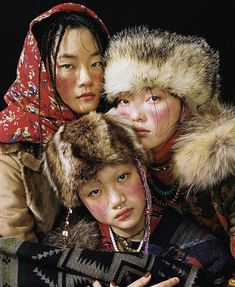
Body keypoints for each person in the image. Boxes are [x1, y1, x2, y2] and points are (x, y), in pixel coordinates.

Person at [43, 111, 233, 287]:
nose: (117, 200)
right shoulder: (66, 255)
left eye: (122, 177)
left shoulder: (201, 248)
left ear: (141, 170)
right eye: (94, 192)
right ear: (79, 200)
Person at [104, 25, 235, 263]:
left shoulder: (224, 163)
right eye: (124, 100)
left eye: (153, 98)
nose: (135, 116)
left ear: (185, 106)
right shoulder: (115, 161)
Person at [0, 2, 109, 242]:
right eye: (68, 66)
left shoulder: (111, 128)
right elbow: (13, 255)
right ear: (40, 70)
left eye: (96, 63)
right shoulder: (11, 148)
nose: (86, 79)